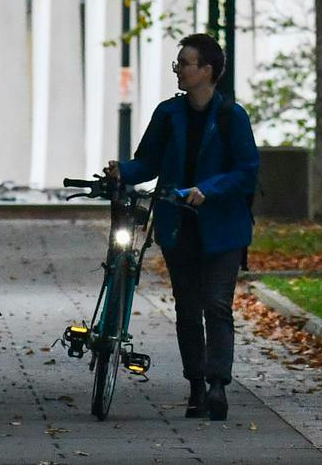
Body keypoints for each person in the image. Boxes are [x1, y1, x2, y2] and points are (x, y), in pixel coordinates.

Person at [106, 33, 259, 423]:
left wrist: (207, 190)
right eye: (177, 64)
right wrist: (123, 170)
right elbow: (149, 162)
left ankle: (218, 383)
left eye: (185, 63)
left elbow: (246, 171)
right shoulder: (168, 114)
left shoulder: (231, 116)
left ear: (207, 71)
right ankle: (196, 385)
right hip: (178, 225)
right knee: (188, 308)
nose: (178, 70)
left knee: (217, 305)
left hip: (222, 228)